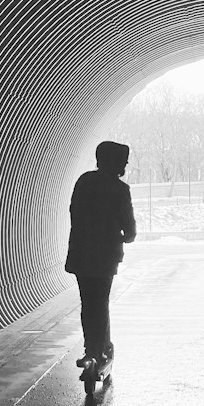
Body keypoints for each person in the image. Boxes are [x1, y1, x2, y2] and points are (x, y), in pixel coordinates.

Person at [65, 140, 137, 368]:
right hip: (105, 257)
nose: (125, 164)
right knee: (101, 301)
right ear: (115, 162)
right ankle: (101, 349)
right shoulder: (120, 189)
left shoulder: (84, 181)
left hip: (81, 254)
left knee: (88, 302)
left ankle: (91, 350)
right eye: (123, 160)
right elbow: (130, 228)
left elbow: (73, 213)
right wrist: (124, 236)